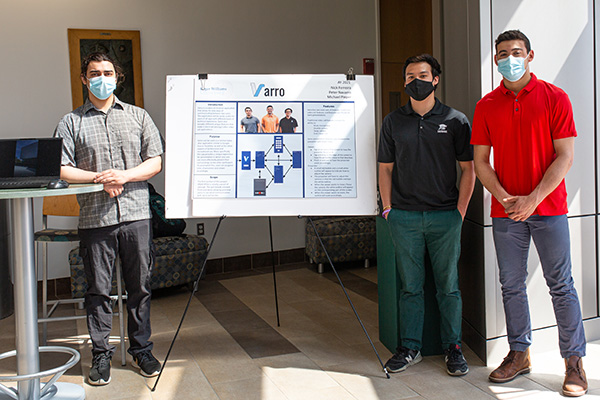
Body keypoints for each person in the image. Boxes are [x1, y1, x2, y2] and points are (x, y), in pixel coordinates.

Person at [471, 30, 587, 397]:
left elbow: (565, 156)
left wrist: (533, 199)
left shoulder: (555, 97)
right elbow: (480, 162)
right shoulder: (486, 105)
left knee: (561, 286)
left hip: (549, 208)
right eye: (503, 53)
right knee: (511, 285)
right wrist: (506, 198)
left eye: (516, 52)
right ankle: (519, 354)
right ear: (495, 60)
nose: (509, 58)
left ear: (530, 55)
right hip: (505, 212)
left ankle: (574, 362)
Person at [54, 52, 164, 386]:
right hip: (95, 217)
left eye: (108, 72)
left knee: (140, 287)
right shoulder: (71, 122)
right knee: (98, 290)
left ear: (118, 77)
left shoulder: (139, 116)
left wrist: (124, 176)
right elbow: (61, 167)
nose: (102, 78)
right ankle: (101, 354)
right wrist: (101, 178)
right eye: (94, 73)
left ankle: (141, 348)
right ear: (84, 79)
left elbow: (155, 161)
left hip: (136, 215)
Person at [378, 54, 475, 376]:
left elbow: (468, 170)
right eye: (409, 76)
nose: (415, 81)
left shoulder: (456, 120)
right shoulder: (393, 121)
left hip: (445, 217)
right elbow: (385, 168)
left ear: (435, 79)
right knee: (411, 288)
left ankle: (454, 348)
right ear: (404, 82)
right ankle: (410, 348)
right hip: (404, 217)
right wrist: (389, 208)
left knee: (448, 287)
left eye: (422, 74)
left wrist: (459, 212)